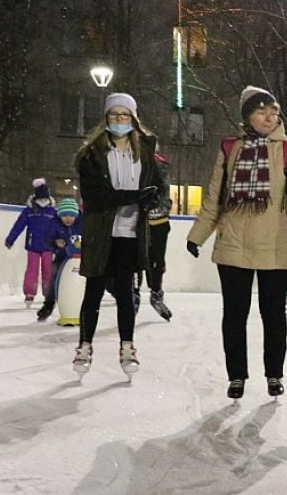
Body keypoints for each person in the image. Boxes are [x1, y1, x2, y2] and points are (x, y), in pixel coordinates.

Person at [187, 85, 287, 399]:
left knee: (273, 315)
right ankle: (237, 376)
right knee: (234, 314)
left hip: (275, 244)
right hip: (233, 243)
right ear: (248, 115)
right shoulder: (230, 148)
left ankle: (274, 373)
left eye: (273, 112)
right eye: (262, 111)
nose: (269, 117)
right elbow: (214, 199)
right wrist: (198, 235)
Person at [71, 93, 165, 380]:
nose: (120, 120)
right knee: (94, 290)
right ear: (106, 118)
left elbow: (157, 186)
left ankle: (127, 346)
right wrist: (135, 196)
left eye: (125, 115)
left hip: (131, 232)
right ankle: (84, 345)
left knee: (126, 291)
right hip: (101, 231)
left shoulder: (145, 153)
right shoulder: (91, 155)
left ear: (134, 119)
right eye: (114, 115)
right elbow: (96, 197)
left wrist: (151, 198)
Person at [5, 178, 57, 308]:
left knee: (48, 270)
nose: (43, 202)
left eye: (45, 199)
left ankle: (48, 292)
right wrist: (10, 239)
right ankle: (29, 292)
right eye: (40, 199)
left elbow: (59, 228)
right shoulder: (29, 211)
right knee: (32, 270)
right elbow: (19, 225)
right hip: (33, 245)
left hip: (48, 246)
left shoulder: (52, 211)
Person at [134, 150, 173, 321]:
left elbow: (163, 193)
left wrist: (156, 206)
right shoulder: (133, 161)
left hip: (159, 222)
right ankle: (133, 292)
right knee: (135, 260)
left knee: (157, 261)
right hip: (138, 222)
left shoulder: (160, 165)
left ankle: (156, 292)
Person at [37, 197, 82, 323]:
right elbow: (47, 238)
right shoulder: (54, 223)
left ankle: (86, 307)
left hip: (82, 258)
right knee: (55, 278)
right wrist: (55, 243)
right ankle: (48, 305)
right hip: (62, 257)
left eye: (71, 216)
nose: (68, 219)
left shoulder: (82, 222)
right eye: (65, 216)